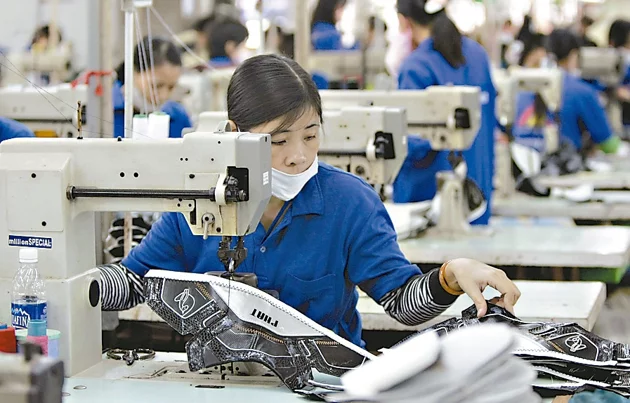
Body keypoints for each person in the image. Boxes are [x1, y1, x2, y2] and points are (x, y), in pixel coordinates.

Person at [98, 54, 521, 348]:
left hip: (323, 386)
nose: (298, 155)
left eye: (311, 135)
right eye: (278, 140)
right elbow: (134, 282)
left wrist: (450, 275)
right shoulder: (199, 202)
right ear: (233, 131)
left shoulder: (349, 204)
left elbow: (402, 303)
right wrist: (78, 286)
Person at [392, 0, 497, 225]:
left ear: (403, 21)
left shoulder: (416, 66)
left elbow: (410, 145)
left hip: (430, 208)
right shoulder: (477, 55)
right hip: (477, 200)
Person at [113, 37, 192, 139]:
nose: (164, 95)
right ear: (134, 72)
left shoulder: (179, 117)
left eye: (171, 87)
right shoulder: (103, 111)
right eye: (156, 86)